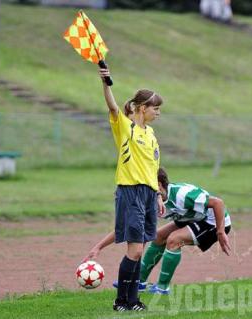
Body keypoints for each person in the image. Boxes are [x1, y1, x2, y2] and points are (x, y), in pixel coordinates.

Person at [84, 167, 232, 295]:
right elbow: (127, 227)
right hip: (191, 218)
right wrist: (98, 247)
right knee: (158, 237)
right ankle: (139, 282)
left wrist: (220, 232)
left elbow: (218, 203)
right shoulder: (152, 201)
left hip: (215, 222)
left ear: (159, 185)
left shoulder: (182, 195)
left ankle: (162, 288)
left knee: (174, 240)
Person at [98, 67, 165, 311]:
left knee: (140, 249)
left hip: (148, 194)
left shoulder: (151, 133)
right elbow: (113, 107)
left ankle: (132, 301)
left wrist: (157, 194)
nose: (158, 113)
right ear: (141, 108)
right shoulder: (127, 128)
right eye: (155, 108)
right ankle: (121, 301)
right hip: (130, 192)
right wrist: (106, 84)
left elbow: (153, 166)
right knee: (135, 249)